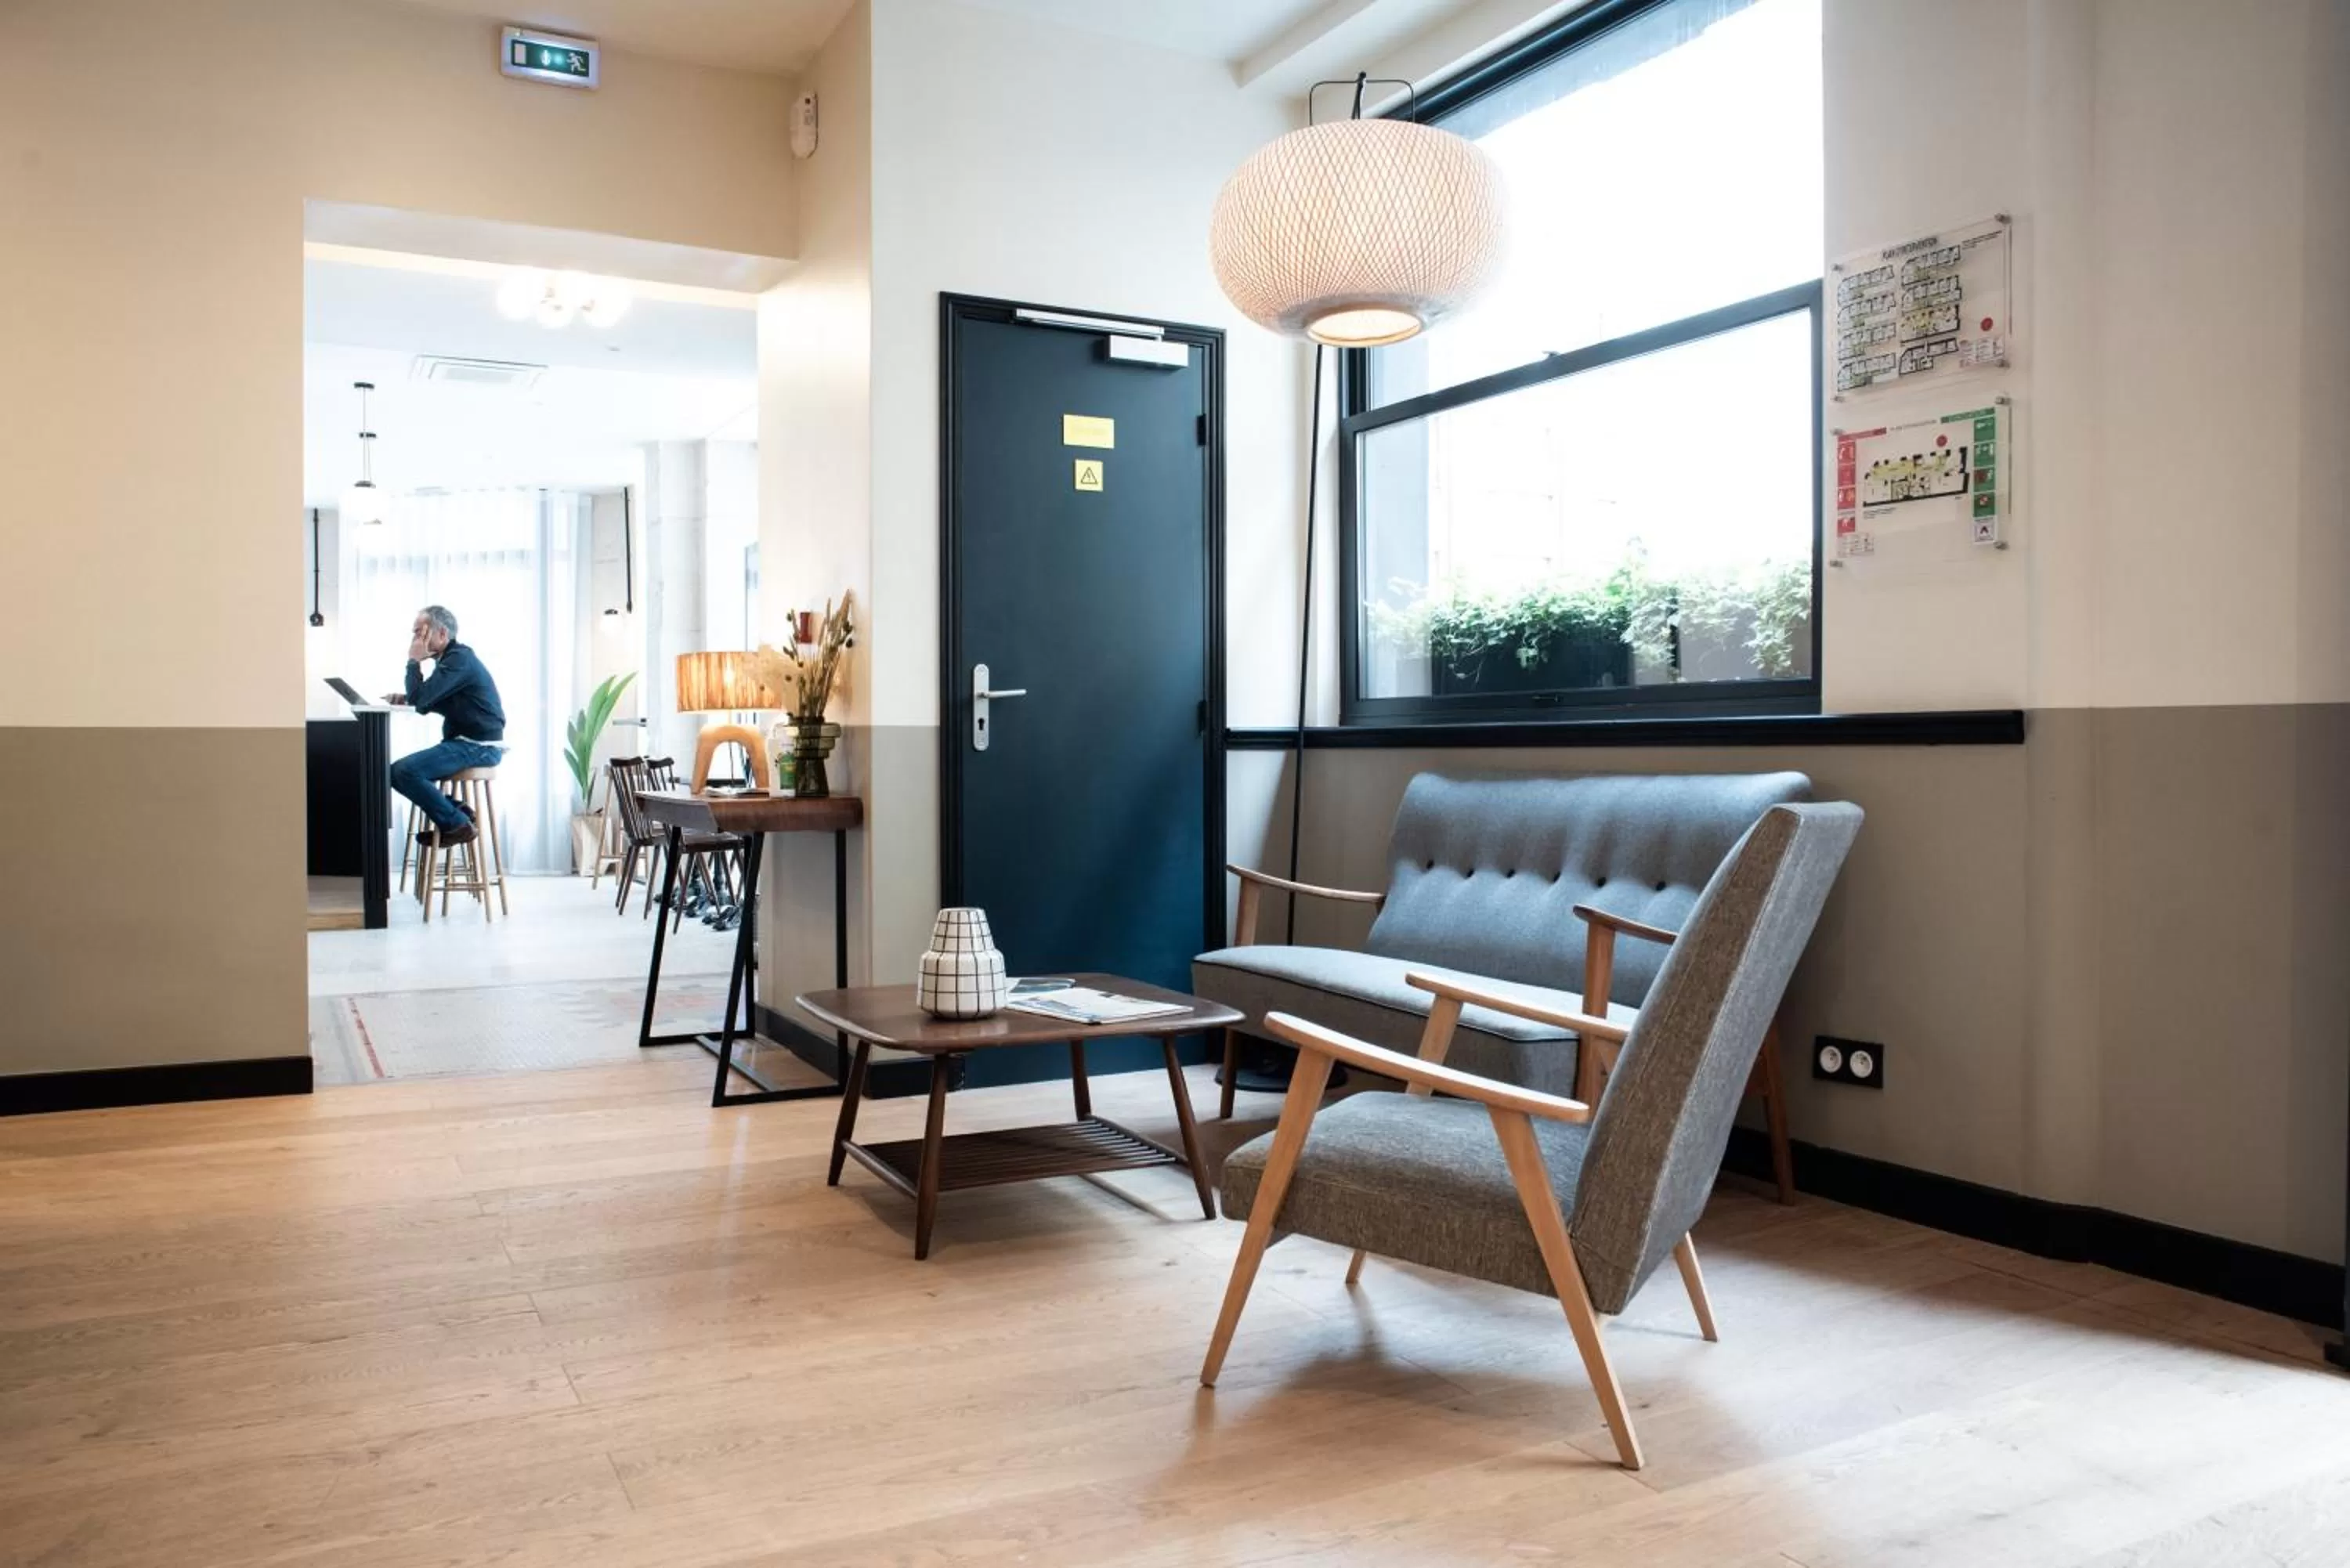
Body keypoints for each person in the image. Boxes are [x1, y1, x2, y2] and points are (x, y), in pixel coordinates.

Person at [384, 605, 505, 848]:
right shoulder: (451, 660)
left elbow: (423, 700)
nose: (415, 639)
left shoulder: (459, 660)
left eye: (420, 633)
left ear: (441, 634)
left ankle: (457, 825)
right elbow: (425, 700)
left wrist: (413, 662)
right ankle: (459, 811)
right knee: (395, 773)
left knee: (403, 772)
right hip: (465, 743)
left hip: (478, 746)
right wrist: (407, 698)